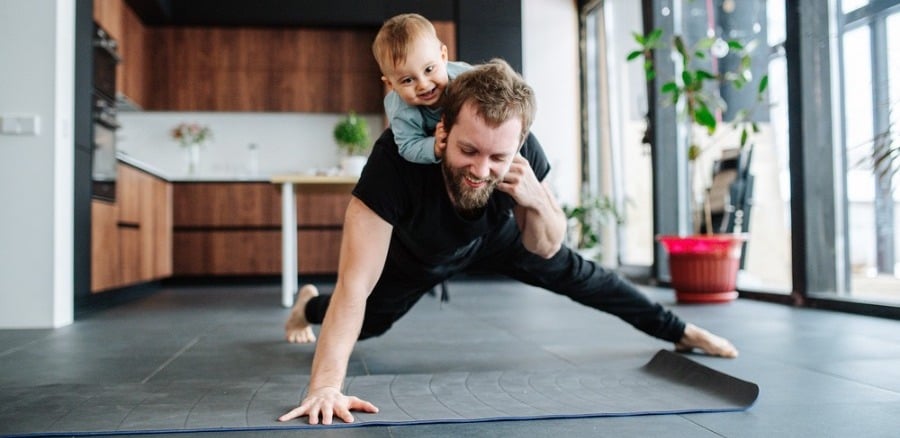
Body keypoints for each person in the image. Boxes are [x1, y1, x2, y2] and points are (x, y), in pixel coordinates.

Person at [280, 59, 738, 425]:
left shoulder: (525, 156)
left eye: (498, 156)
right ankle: (307, 306)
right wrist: (324, 386)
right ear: (442, 131)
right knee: (370, 322)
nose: (481, 170)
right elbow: (354, 286)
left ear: (518, 145)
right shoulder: (393, 163)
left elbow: (547, 247)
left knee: (583, 275)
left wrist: (537, 199)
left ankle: (679, 331)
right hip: (419, 253)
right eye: (468, 151)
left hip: (496, 237)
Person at [373, 12, 471, 164]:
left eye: (429, 69)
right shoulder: (402, 111)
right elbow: (408, 145)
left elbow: (494, 88)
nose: (423, 85)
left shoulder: (466, 78)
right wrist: (434, 146)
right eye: (408, 80)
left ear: (443, 56)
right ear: (391, 85)